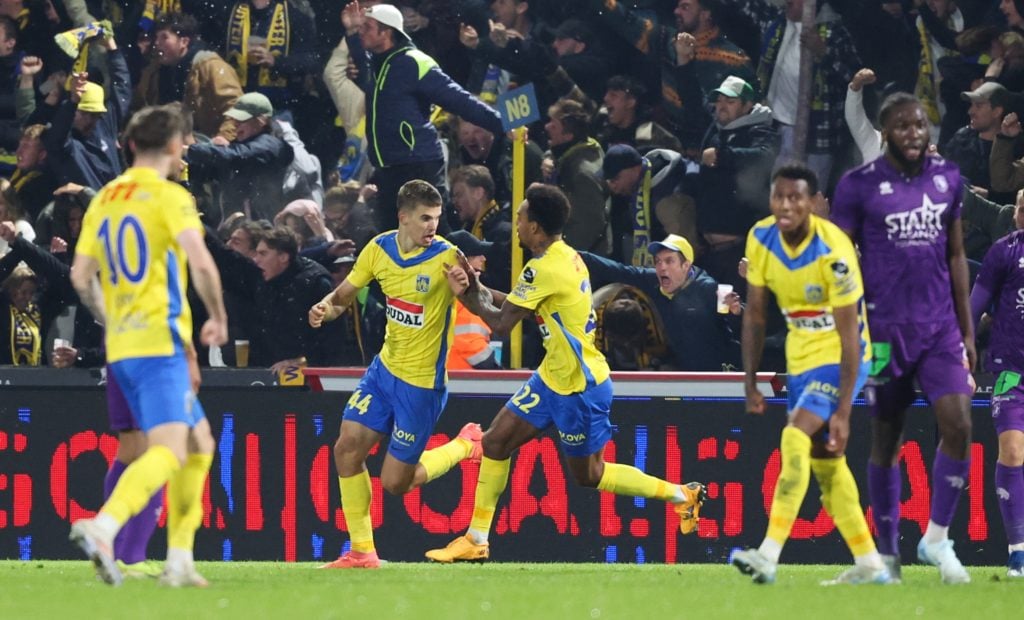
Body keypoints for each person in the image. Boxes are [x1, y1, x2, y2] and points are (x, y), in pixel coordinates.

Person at [425, 183, 706, 563]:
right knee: (494, 443)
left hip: (579, 387)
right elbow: (516, 305)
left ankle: (681, 494)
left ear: (536, 228)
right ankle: (476, 538)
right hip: (552, 376)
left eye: (522, 216)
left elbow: (502, 324)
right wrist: (475, 287)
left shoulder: (545, 267)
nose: (517, 222)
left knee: (589, 475)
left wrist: (466, 293)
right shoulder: (564, 256)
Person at [67, 104, 229, 587]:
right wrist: (218, 317)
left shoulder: (105, 198)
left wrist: (113, 317)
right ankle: (105, 526)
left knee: (200, 445)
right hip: (161, 344)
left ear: (131, 144)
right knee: (169, 449)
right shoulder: (170, 196)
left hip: (122, 347)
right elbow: (200, 261)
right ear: (176, 145)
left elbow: (80, 276)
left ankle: (179, 559)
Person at [831, 92, 975, 585]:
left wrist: (967, 329)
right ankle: (887, 560)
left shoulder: (948, 178)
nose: (914, 133)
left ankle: (936, 537)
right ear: (885, 132)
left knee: (958, 424)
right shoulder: (858, 187)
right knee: (887, 438)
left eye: (920, 124)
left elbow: (956, 254)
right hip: (885, 332)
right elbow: (839, 261)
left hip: (939, 330)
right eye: (903, 126)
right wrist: (845, 330)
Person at [308, 179, 483, 569]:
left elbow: (481, 301)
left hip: (421, 386)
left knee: (394, 484)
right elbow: (343, 298)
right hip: (384, 372)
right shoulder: (379, 249)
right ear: (403, 217)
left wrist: (467, 289)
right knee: (346, 449)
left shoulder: (448, 256)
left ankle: (465, 445)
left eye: (436, 218)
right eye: (424, 218)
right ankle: (361, 552)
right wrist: (324, 308)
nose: (432, 226)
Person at [731, 164, 892, 585]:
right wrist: (749, 381)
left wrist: (843, 409)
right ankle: (870, 563)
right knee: (826, 463)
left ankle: (768, 554)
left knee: (795, 436)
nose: (786, 205)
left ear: (812, 203)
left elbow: (850, 336)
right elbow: (756, 316)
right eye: (779, 197)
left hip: (841, 354)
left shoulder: (834, 251)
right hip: (799, 354)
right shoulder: (761, 237)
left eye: (795, 198)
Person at [343, 2, 503, 232]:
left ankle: (476, 260)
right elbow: (368, 79)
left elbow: (460, 100)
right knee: (395, 237)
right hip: (388, 167)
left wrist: (502, 123)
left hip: (417, 164)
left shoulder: (415, 61)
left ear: (387, 32)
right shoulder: (379, 65)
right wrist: (350, 33)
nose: (362, 31)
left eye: (367, 27)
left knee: (436, 235)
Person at [580, 234, 741, 372]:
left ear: (686, 265)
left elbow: (737, 325)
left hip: (720, 372)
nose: (662, 267)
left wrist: (737, 311)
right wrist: (571, 254)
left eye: (669, 261)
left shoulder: (710, 288)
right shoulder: (653, 281)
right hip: (685, 373)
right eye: (658, 261)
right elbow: (616, 270)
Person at [969, 210, 1024, 578]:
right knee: (1012, 450)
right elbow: (973, 306)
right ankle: (1018, 551)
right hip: (1010, 370)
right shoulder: (1004, 251)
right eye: (1021, 207)